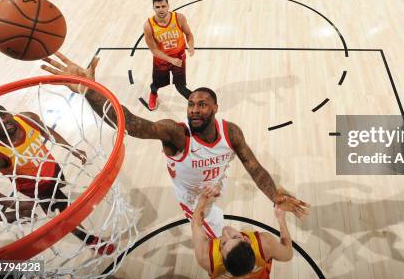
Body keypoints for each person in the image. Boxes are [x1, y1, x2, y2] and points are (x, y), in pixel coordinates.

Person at [41, 53, 310, 238]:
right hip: (193, 198)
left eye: (202, 104)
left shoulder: (231, 132)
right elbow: (130, 123)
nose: (194, 110)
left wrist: (275, 195)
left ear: (216, 107)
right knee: (218, 233)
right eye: (191, 104)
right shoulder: (175, 133)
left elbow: (254, 168)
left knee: (221, 190)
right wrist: (90, 89)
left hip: (215, 182)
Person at [0, 105, 113, 254]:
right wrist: (12, 203)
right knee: (64, 215)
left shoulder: (26, 118)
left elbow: (46, 130)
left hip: (53, 169)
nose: (2, 120)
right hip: (38, 187)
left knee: (61, 192)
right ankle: (89, 239)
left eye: (3, 114)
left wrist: (71, 148)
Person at [191, 185, 294, 279]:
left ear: (222, 257)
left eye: (223, 243)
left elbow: (195, 223)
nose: (225, 231)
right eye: (235, 237)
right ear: (247, 240)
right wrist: (281, 219)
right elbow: (288, 253)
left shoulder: (206, 258)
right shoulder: (265, 243)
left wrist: (203, 199)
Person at [144, 0, 195, 110]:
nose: (161, 9)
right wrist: (171, 60)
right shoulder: (148, 26)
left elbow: (188, 34)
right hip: (162, 60)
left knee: (181, 87)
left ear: (168, 6)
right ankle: (153, 94)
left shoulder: (179, 18)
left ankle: (196, 101)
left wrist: (191, 46)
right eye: (157, 7)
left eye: (163, 6)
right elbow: (154, 50)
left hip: (179, 57)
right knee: (156, 84)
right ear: (153, 8)